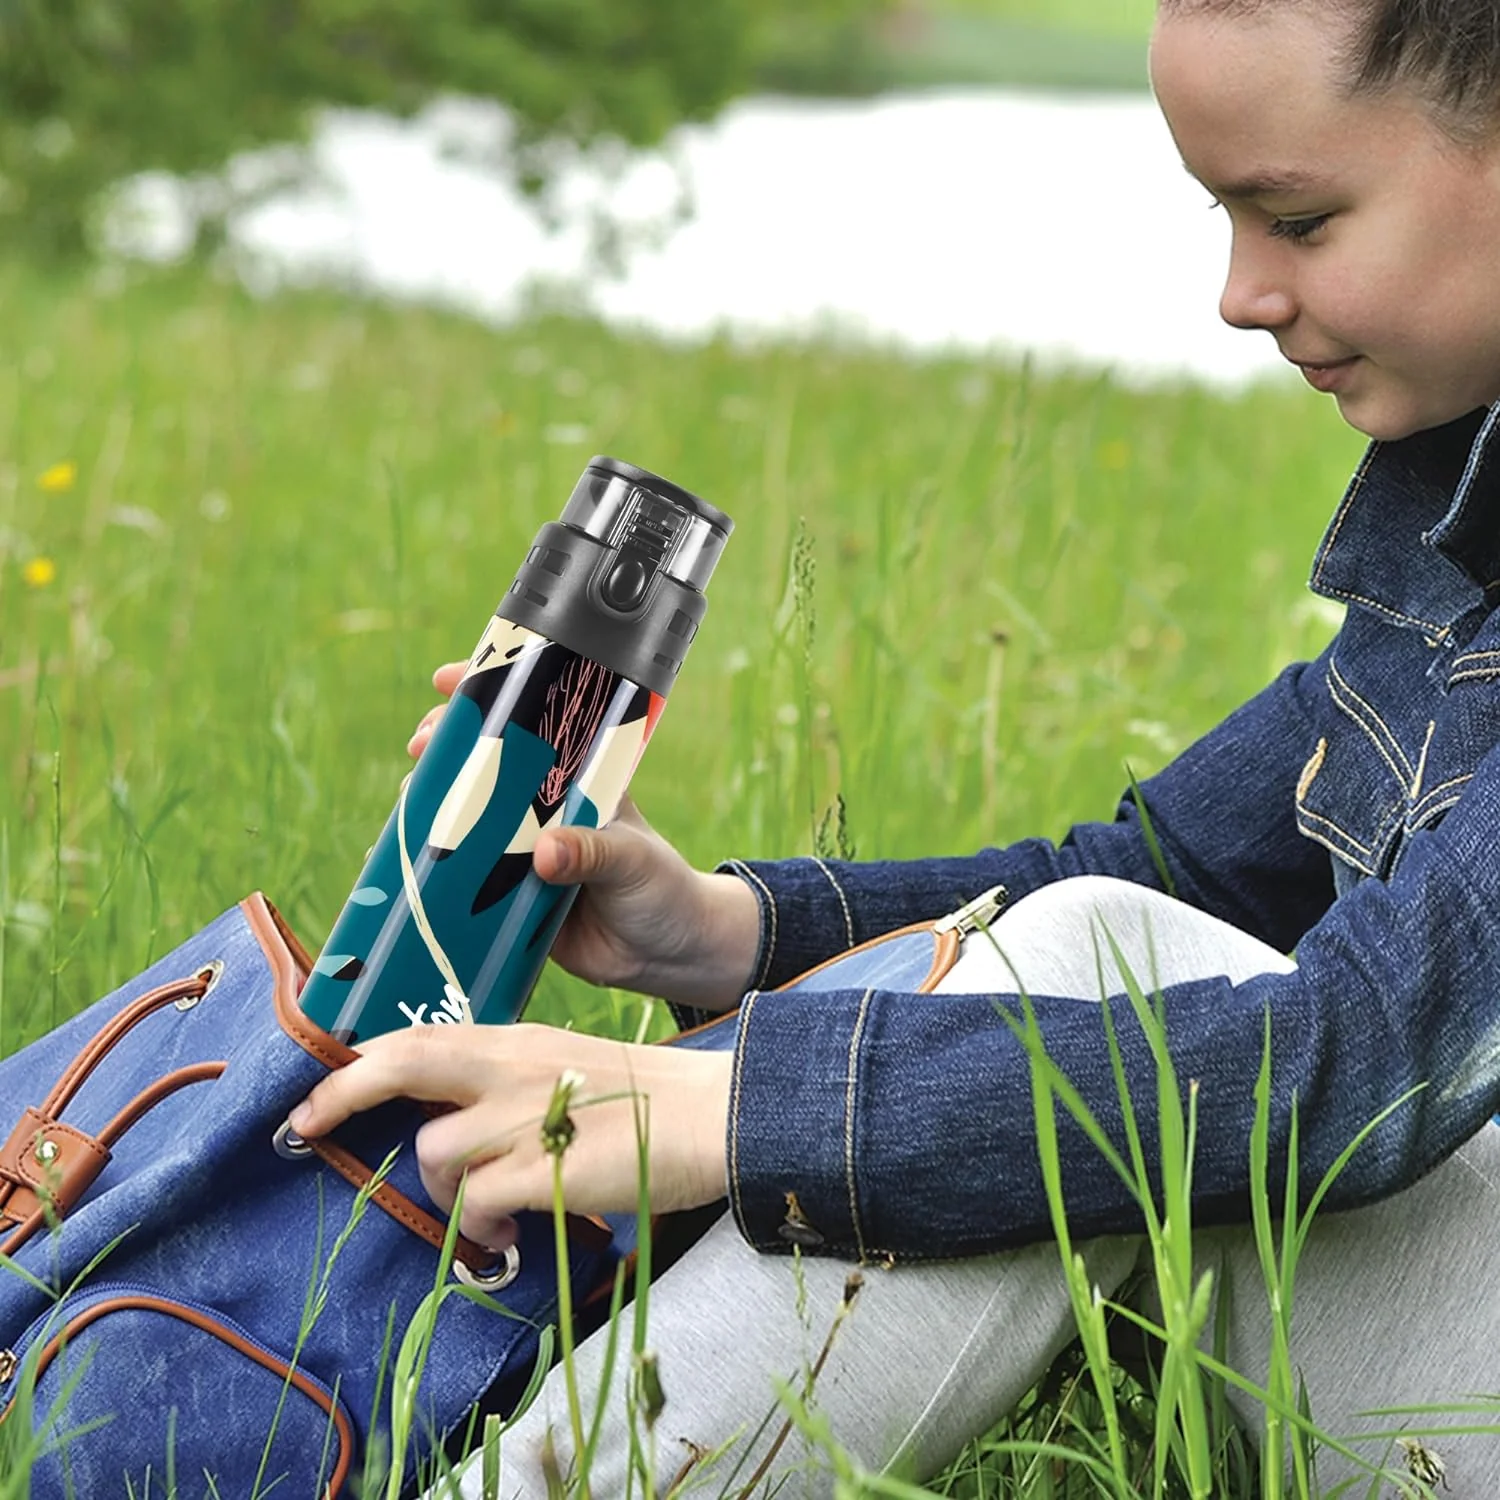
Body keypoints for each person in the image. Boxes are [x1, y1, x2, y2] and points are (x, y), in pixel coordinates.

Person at [288, 0, 1500, 1492]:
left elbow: (1355, 1066)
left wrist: (731, 1111)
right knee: (1100, 945)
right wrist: (723, 933)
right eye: (1225, 217)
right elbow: (1166, 872)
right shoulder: (1453, 543)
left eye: (1298, 217)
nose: (1241, 295)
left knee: (1089, 980)